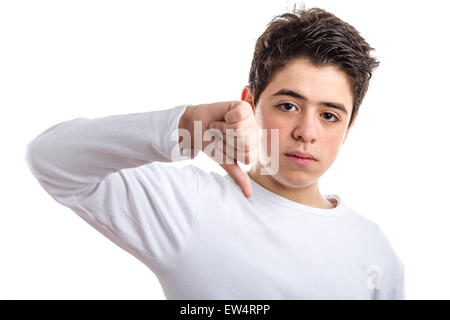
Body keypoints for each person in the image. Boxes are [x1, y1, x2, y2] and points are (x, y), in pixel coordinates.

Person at [25, 6, 405, 299]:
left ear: (349, 127)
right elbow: (51, 160)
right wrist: (183, 126)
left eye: (328, 115)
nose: (306, 132)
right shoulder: (190, 205)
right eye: (288, 106)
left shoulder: (373, 246)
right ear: (249, 103)